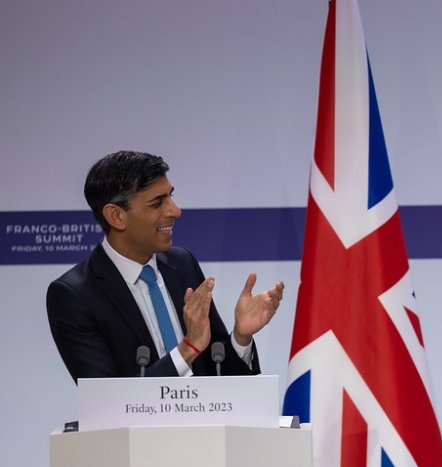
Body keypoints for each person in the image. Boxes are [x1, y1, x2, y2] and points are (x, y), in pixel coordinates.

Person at [47, 150, 284, 382]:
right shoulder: (74, 295)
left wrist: (241, 337)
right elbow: (106, 401)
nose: (175, 211)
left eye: (170, 196)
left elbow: (219, 373)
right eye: (157, 202)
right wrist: (187, 349)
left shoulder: (182, 264)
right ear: (117, 216)